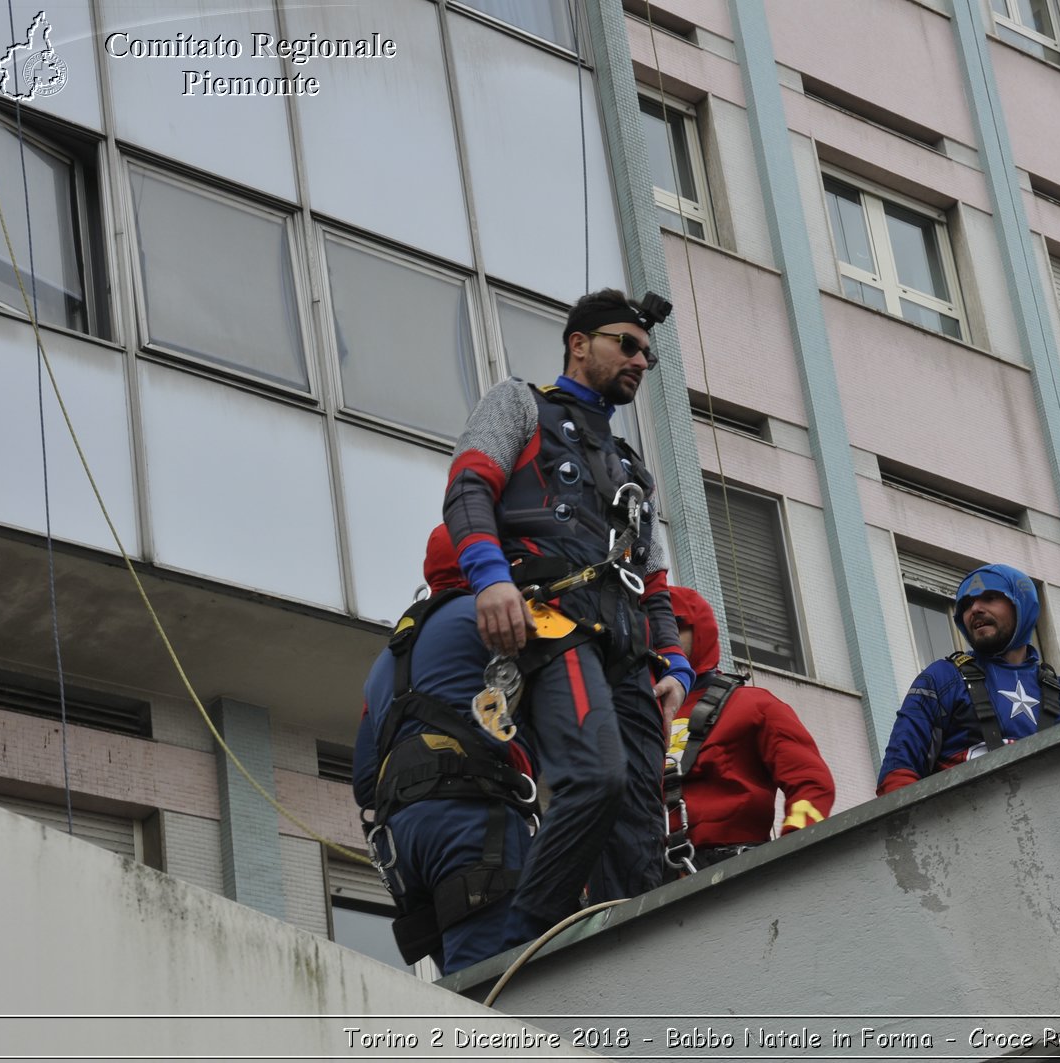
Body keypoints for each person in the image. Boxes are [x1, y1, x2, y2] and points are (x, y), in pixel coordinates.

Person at [442, 288, 695, 943]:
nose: (641, 360)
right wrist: (490, 580)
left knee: (639, 824)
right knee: (594, 777)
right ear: (580, 344)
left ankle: (626, 960)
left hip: (626, 650)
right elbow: (469, 487)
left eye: (649, 353)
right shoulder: (519, 404)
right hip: (551, 624)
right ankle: (528, 939)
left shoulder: (631, 467)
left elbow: (654, 575)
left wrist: (673, 661)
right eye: (628, 345)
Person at [352, 524, 538, 974]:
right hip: (470, 821)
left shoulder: (384, 663)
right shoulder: (492, 616)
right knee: (493, 990)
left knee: (461, 984)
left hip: (406, 842)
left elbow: (364, 783)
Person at [877, 563, 1060, 796]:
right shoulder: (942, 678)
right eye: (966, 605)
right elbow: (897, 775)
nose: (975, 609)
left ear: (1021, 604)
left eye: (990, 597)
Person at [662, 586, 835, 872]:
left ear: (701, 630)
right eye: (653, 634)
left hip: (735, 870)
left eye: (674, 629)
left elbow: (811, 782)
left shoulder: (753, 705)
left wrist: (794, 850)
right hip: (643, 883)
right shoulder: (631, 721)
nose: (663, 643)